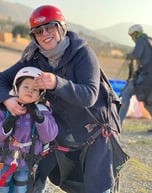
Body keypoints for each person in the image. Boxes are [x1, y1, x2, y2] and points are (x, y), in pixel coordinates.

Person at [0, 5, 125, 193]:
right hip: (59, 132)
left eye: (50, 27)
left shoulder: (82, 53)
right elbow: (2, 80)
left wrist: (57, 83)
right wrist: (7, 100)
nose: (45, 34)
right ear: (34, 37)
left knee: (97, 188)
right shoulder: (34, 57)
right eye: (38, 31)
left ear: (61, 27)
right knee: (36, 178)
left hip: (95, 132)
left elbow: (89, 94)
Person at [0, 67, 58, 193]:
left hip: (26, 164)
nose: (30, 91)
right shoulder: (5, 109)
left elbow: (49, 136)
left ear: (40, 94)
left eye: (35, 89)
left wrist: (41, 120)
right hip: (3, 161)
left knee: (21, 188)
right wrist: (5, 127)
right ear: (17, 88)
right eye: (26, 87)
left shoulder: (43, 112)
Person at [119, 24, 152, 124]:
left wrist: (128, 55)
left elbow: (136, 54)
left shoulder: (140, 40)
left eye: (132, 35)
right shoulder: (148, 40)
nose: (132, 38)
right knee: (148, 103)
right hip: (148, 77)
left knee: (126, 94)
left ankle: (118, 122)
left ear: (136, 33)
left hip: (144, 77)